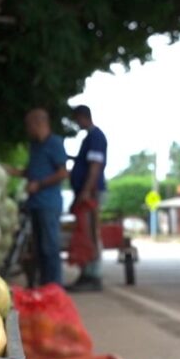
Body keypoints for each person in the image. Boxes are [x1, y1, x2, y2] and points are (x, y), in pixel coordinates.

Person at [22, 108, 69, 286]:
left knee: (50, 247)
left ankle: (54, 287)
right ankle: (43, 286)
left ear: (38, 123)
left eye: (29, 125)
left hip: (49, 203)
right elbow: (32, 172)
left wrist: (39, 185)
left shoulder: (55, 143)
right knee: (39, 249)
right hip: (35, 204)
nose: (27, 129)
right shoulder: (35, 145)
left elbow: (63, 172)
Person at [68, 104, 107, 292]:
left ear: (83, 117)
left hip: (90, 194)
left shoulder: (96, 137)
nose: (76, 124)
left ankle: (94, 276)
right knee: (85, 234)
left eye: (76, 120)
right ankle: (87, 274)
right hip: (86, 192)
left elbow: (95, 166)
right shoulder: (89, 138)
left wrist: (86, 190)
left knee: (91, 234)